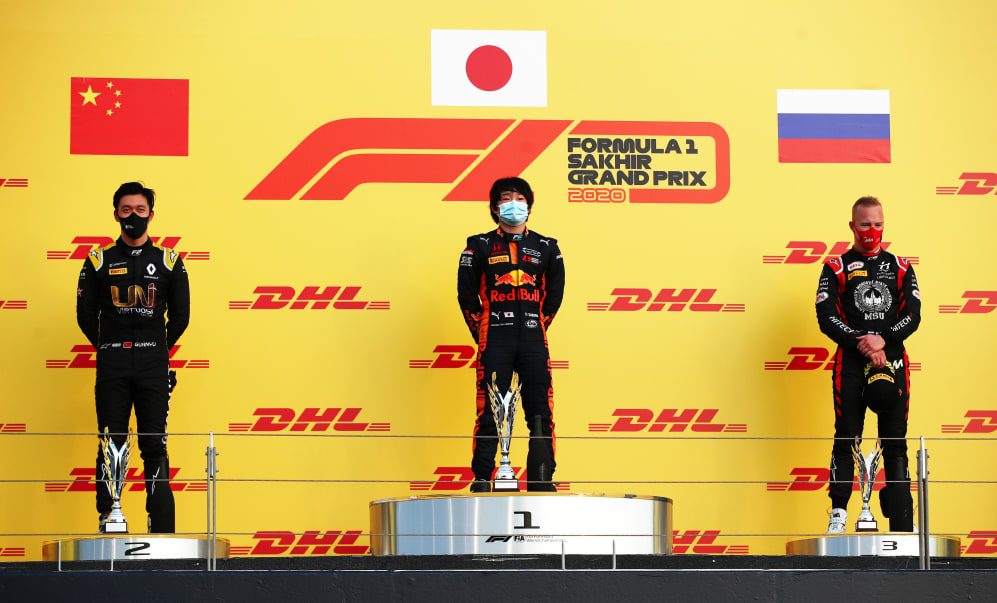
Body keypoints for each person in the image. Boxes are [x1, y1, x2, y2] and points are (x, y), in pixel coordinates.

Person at [76, 182, 190, 533]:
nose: (133, 216)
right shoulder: (98, 260)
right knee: (111, 442)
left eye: (140, 210)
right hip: (112, 364)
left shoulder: (169, 260)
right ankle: (109, 518)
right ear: (116, 215)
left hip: (153, 365)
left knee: (155, 444)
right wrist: (109, 346)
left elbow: (181, 316)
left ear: (150, 215)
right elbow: (85, 315)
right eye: (126, 210)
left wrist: (157, 348)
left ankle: (162, 527)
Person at [815, 196, 920, 533]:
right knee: (846, 435)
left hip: (893, 361)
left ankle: (902, 522)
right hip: (850, 360)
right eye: (865, 224)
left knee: (895, 439)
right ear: (852, 226)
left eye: (878, 224)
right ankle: (838, 514)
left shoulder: (901, 266)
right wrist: (863, 342)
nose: (872, 230)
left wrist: (883, 340)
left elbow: (913, 315)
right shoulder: (836, 266)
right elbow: (826, 316)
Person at [457, 177, 565, 492]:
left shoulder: (547, 246)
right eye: (506, 198)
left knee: (541, 412)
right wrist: (482, 329)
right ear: (495, 207)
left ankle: (541, 480)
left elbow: (554, 296)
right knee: (488, 410)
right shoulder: (478, 245)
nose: (513, 204)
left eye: (520, 198)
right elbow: (466, 296)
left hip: (533, 340)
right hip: (494, 339)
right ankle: (482, 478)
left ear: (529, 205)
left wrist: (536, 325)